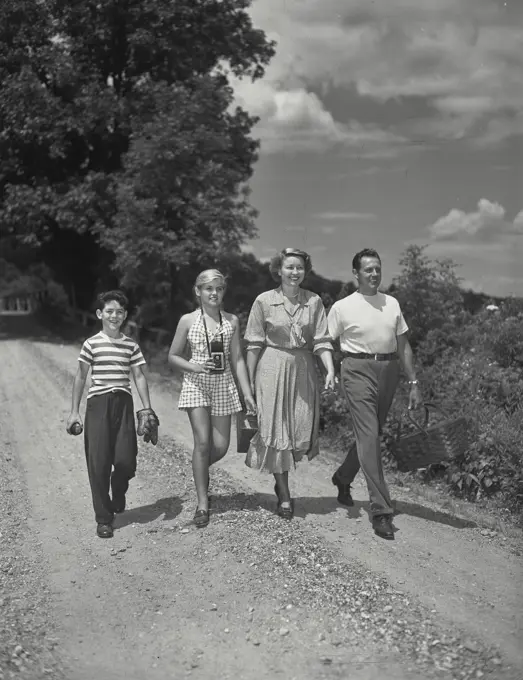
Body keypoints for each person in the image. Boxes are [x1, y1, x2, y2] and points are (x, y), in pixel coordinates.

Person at [327, 248, 422, 540]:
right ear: (356, 273)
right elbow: (324, 343)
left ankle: (343, 477)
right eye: (368, 269)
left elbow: (403, 345)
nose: (374, 274)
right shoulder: (342, 307)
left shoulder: (391, 303)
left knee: (371, 434)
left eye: (377, 269)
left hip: (389, 370)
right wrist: (330, 371)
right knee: (369, 436)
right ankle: (381, 510)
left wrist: (414, 382)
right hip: (356, 370)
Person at [244, 248, 335, 520]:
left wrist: (330, 368)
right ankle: (284, 493)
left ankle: (280, 477)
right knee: (278, 430)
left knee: (300, 426)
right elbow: (253, 343)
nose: (294, 273)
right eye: (289, 267)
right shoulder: (263, 301)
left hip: (303, 368)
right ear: (279, 271)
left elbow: (321, 340)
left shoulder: (314, 301)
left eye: (299, 268)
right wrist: (247, 384)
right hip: (272, 367)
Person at [168, 269, 256, 528]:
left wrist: (247, 393)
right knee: (203, 443)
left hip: (224, 385)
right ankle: (203, 504)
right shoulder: (187, 320)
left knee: (221, 446)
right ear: (198, 291)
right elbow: (172, 356)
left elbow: (237, 358)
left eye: (219, 288)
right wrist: (194, 366)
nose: (214, 293)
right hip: (196, 384)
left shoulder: (232, 321)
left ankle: (198, 470)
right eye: (208, 288)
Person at [66, 290, 157, 539]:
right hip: (98, 404)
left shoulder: (131, 345)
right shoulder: (91, 343)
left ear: (125, 315)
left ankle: (118, 491)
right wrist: (74, 412)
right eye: (109, 311)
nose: (114, 316)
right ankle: (104, 518)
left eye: (119, 312)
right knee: (98, 463)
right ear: (100, 314)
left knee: (127, 459)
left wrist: (146, 408)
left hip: (124, 403)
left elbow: (138, 375)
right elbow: (81, 376)